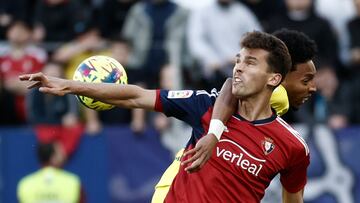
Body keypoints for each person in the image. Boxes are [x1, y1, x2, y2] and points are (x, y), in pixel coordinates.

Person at [20, 31, 307, 202]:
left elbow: (293, 198)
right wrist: (68, 85)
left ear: (274, 79)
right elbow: (135, 95)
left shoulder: (292, 147)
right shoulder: (205, 105)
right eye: (237, 60)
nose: (238, 68)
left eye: (250, 62)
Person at [152, 29, 317, 202]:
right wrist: (214, 133)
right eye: (305, 80)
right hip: (183, 180)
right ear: (279, 76)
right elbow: (230, 88)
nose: (312, 87)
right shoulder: (277, 96)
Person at [17, 142, 85, 203]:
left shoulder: (25, 183)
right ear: (53, 158)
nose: (64, 155)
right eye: (60, 153)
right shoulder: (73, 181)